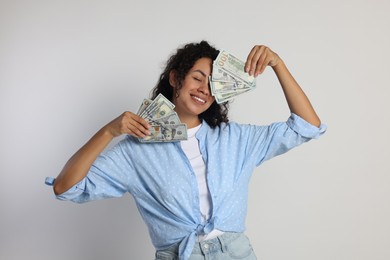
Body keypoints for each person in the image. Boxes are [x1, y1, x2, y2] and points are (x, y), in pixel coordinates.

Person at [46, 41, 326, 260]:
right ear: (175, 78)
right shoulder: (136, 151)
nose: (204, 88)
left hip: (236, 254)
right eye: (197, 77)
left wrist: (278, 64)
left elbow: (307, 126)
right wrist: (108, 131)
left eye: (213, 82)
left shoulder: (236, 139)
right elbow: (66, 186)